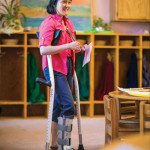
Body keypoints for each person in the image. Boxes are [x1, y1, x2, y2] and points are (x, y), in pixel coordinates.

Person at [39, 0, 87, 149]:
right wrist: (68, 46)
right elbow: (44, 50)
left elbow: (68, 48)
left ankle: (54, 145)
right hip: (54, 68)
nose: (67, 5)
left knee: (58, 107)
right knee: (68, 106)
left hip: (68, 66)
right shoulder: (49, 23)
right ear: (54, 3)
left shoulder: (69, 23)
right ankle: (64, 145)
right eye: (63, 1)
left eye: (69, 2)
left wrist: (79, 49)